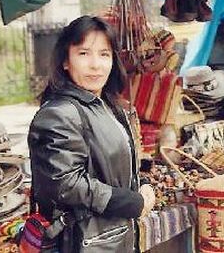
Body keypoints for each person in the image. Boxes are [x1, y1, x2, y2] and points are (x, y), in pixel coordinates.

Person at [28, 15, 155, 252]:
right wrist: (131, 202)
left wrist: (142, 183)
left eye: (104, 54)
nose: (95, 64)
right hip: (82, 241)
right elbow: (65, 183)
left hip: (113, 237)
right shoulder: (59, 113)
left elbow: (113, 166)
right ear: (65, 61)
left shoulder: (109, 106)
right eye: (84, 53)